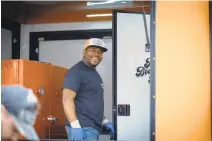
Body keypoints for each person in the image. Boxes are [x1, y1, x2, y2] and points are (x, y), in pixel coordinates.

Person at [62, 38, 115, 140]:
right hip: (83, 129)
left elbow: (90, 102)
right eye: (93, 50)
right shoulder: (76, 72)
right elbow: (67, 99)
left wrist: (103, 120)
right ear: (84, 51)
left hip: (91, 128)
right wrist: (75, 126)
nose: (97, 54)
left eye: (100, 52)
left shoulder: (93, 73)